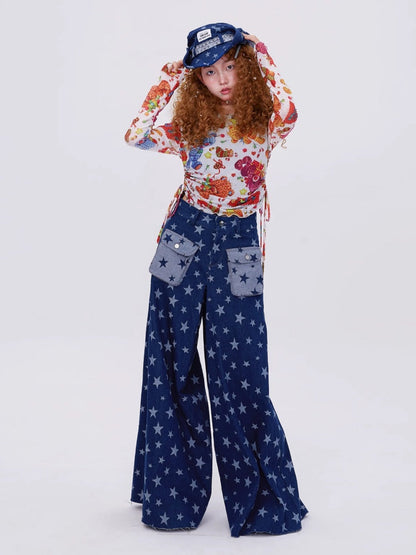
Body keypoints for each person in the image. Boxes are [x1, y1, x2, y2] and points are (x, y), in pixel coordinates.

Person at [124, 22, 308, 537]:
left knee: (242, 367)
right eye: (208, 71)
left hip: (239, 245)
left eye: (230, 65)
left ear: (246, 65)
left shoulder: (266, 121)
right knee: (170, 360)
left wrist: (259, 48)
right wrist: (169, 78)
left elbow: (291, 109)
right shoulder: (189, 125)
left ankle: (261, 501)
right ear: (196, 79)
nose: (222, 79)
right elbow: (136, 134)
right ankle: (170, 498)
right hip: (182, 238)